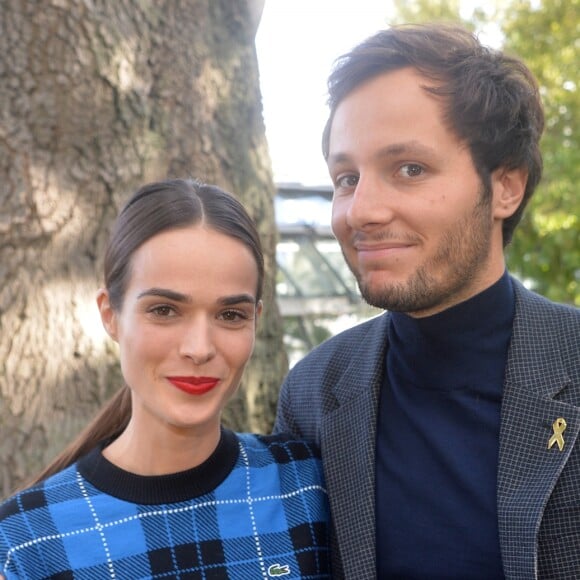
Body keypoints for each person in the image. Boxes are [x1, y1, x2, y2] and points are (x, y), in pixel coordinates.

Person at [274, 23, 580, 580]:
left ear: (505, 187)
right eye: (346, 177)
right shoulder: (313, 394)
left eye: (409, 169)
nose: (360, 211)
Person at [0, 178, 330, 579]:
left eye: (230, 315)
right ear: (110, 314)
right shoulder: (26, 541)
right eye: (165, 310)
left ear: (256, 321)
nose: (199, 348)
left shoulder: (307, 485)